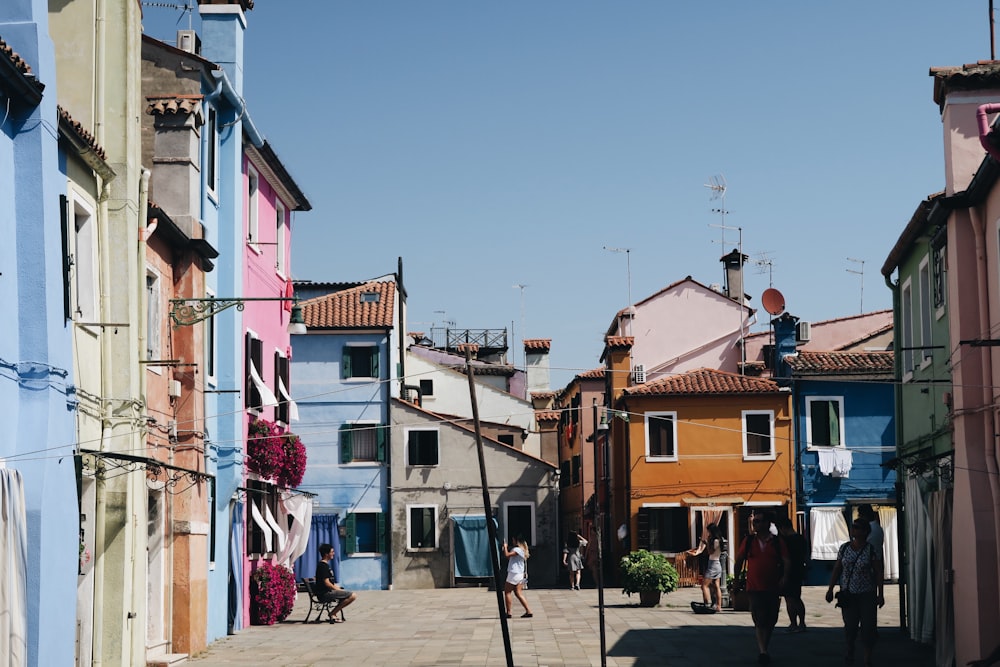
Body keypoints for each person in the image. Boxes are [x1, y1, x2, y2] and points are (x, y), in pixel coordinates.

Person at [825, 518, 885, 667]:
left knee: (868, 627)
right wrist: (830, 589)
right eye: (853, 527)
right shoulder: (844, 548)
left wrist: (880, 594)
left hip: (867, 593)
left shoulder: (871, 549)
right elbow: (838, 568)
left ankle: (867, 658)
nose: (854, 530)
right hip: (848, 593)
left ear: (865, 531)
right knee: (850, 627)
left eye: (857, 527)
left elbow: (878, 572)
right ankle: (850, 648)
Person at [735, 512, 790, 666]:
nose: (756, 524)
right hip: (754, 587)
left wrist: (785, 577)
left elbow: (787, 561)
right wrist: (737, 580)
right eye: (755, 522)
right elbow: (739, 561)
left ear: (767, 523)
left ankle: (764, 646)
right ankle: (763, 651)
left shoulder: (778, 542)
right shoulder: (748, 541)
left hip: (773, 586)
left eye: (758, 521)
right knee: (759, 619)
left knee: (771, 619)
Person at [776, 517, 808, 632]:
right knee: (796, 598)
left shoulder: (786, 541)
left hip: (788, 572)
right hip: (798, 571)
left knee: (790, 599)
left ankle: (794, 623)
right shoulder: (801, 539)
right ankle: (802, 622)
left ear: (783, 528)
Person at [315, 543, 357, 622]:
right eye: (332, 552)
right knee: (353, 595)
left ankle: (334, 613)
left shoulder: (325, 565)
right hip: (325, 594)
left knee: (348, 594)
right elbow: (327, 583)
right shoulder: (323, 566)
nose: (333, 553)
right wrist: (338, 590)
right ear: (326, 554)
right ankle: (333, 613)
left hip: (327, 592)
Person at [687, 523, 724, 612]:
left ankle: (707, 604)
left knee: (704, 585)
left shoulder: (715, 541)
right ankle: (719, 606)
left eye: (709, 532)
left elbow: (710, 552)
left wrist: (707, 543)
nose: (708, 534)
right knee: (716, 586)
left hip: (713, 564)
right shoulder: (720, 540)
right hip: (717, 563)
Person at [502, 536, 533, 618]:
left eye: (513, 540)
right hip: (520, 574)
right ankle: (528, 610)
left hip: (513, 573)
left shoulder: (517, 550)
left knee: (507, 592)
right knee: (518, 593)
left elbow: (507, 555)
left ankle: (509, 612)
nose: (512, 542)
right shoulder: (523, 550)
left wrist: (505, 547)